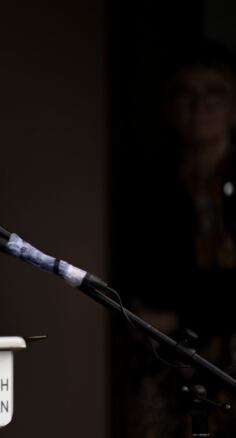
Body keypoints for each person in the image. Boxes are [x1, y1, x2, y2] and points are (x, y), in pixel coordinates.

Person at [122, 41, 236, 437]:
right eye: (185, 93)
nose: (198, 105)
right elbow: (141, 280)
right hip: (165, 358)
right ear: (170, 107)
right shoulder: (151, 185)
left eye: (213, 92)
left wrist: (184, 313)